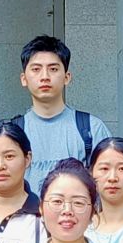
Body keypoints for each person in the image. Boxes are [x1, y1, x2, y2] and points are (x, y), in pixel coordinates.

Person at [18, 35, 109, 193]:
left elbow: (107, 184)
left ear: (67, 77)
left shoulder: (92, 128)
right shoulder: (14, 131)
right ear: (24, 79)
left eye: (53, 69)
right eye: (36, 69)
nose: (45, 77)